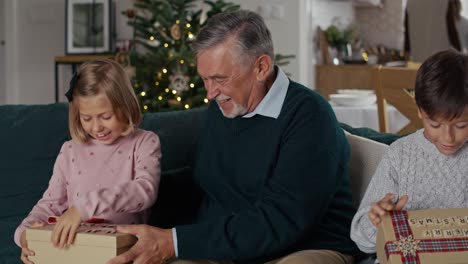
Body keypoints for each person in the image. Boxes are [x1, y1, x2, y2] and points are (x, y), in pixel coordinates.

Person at [108, 9, 358, 264]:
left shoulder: (309, 116)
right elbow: (201, 183)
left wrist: (175, 242)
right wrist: (135, 188)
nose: (210, 93)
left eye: (219, 79)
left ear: (261, 67)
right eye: (205, 79)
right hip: (235, 245)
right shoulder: (225, 108)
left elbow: (282, 220)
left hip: (304, 246)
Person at [15, 59, 162, 264]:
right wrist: (25, 236)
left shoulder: (145, 142)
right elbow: (49, 204)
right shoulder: (69, 151)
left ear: (125, 105)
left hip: (124, 254)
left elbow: (145, 190)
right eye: (86, 118)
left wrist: (84, 207)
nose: (96, 127)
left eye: (105, 116)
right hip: (74, 252)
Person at [350, 49, 468, 254]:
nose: (448, 137)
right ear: (420, 110)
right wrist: (377, 220)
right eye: (435, 124)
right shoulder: (400, 155)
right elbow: (363, 242)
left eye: (461, 126)